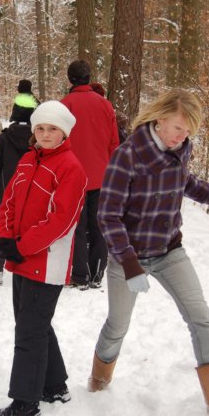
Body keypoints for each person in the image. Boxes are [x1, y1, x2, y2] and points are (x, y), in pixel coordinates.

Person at [89, 89, 209, 416]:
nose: (182, 136)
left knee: (200, 318)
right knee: (118, 325)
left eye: (188, 130)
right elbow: (108, 215)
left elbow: (186, 182)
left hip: (169, 251)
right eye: (178, 127)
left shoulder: (181, 148)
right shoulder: (128, 156)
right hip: (129, 256)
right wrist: (130, 263)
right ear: (159, 118)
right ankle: (98, 382)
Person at [0, 101, 87, 416]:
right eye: (40, 128)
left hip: (46, 263)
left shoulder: (70, 167)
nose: (45, 134)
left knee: (29, 331)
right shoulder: (28, 160)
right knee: (33, 324)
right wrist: (5, 237)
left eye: (52, 129)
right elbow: (9, 200)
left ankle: (25, 402)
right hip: (21, 257)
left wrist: (23, 246)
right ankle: (55, 386)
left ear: (64, 132)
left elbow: (61, 220)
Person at [61, 60, 119, 290]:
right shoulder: (105, 105)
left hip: (73, 176)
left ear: (70, 79)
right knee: (98, 225)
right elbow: (114, 142)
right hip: (101, 175)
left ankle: (80, 274)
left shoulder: (64, 105)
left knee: (77, 226)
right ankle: (97, 273)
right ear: (88, 77)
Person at [0, 100, 34, 286]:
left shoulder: (4, 138)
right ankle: (28, 263)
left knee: (4, 227)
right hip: (32, 191)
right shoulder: (38, 139)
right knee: (30, 226)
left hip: (8, 191)